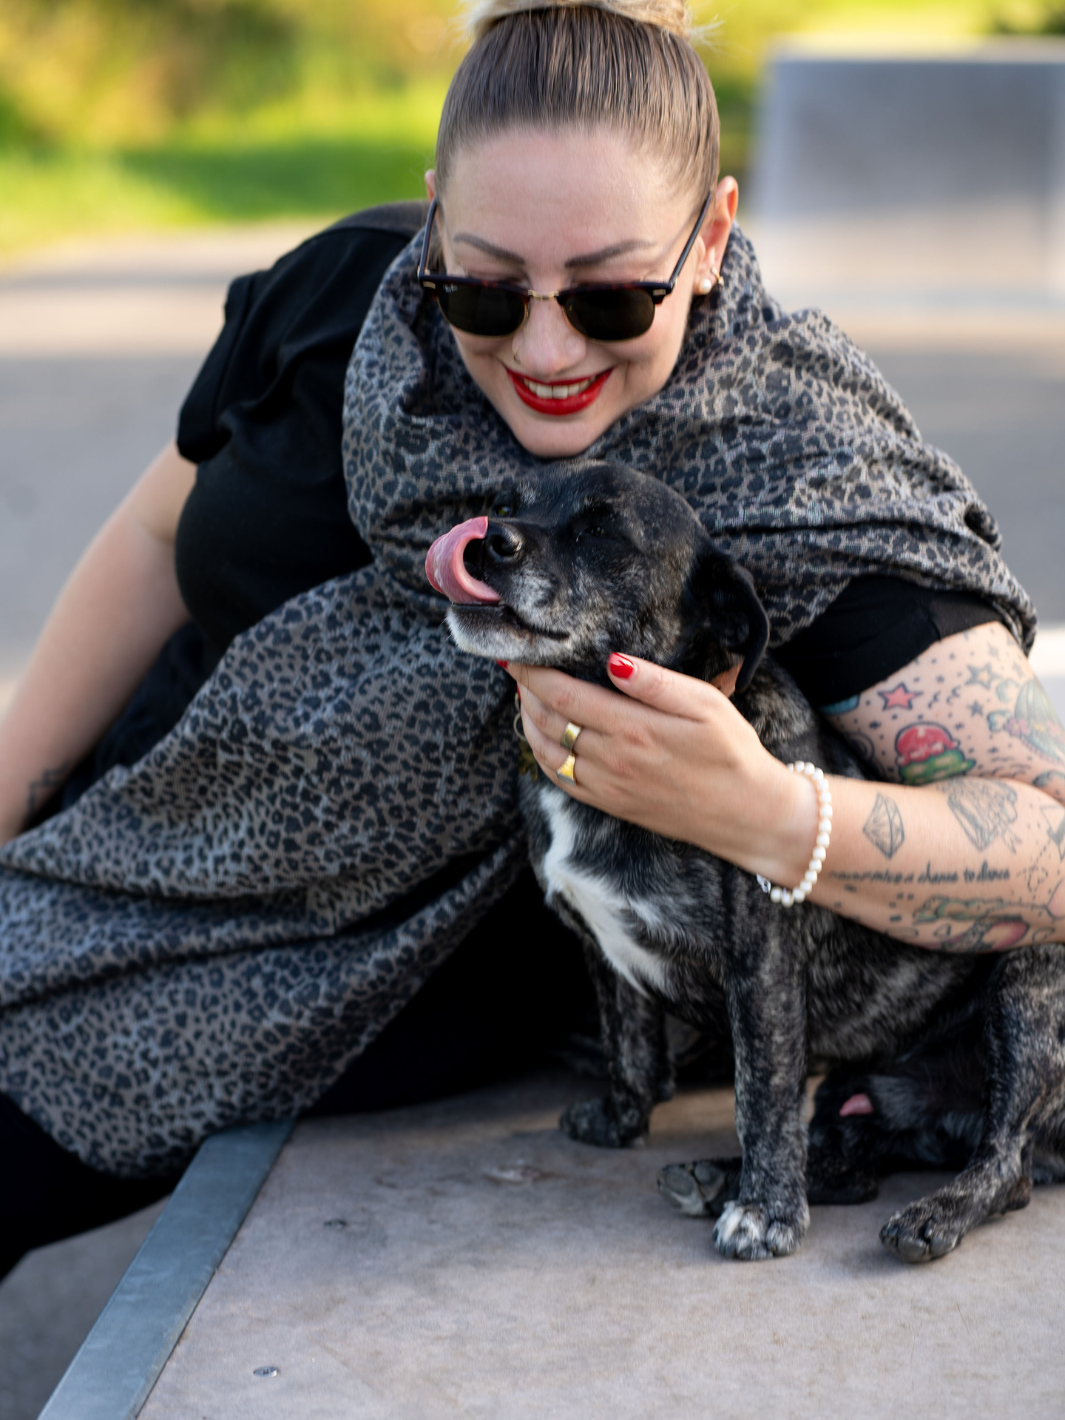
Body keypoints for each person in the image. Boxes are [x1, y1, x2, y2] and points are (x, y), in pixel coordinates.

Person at [1, 0, 1062, 1281]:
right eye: (485, 286)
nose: (546, 348)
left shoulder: (792, 486)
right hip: (102, 853)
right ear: (435, 213)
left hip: (320, 997)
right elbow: (160, 537)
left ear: (713, 237)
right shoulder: (358, 306)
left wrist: (774, 814)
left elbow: (1050, 836)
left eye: (614, 296)